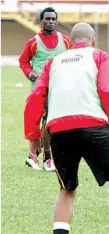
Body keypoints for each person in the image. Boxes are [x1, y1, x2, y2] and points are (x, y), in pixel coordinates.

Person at [24, 23, 109, 234]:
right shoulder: (100, 56)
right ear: (92, 41)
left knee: (66, 190)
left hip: (59, 131)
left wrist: (33, 136)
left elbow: (35, 98)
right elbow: (108, 92)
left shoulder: (53, 63)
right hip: (93, 127)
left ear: (70, 42)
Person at [19, 7, 71, 171]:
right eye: (47, 19)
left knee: (49, 123)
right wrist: (30, 73)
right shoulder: (34, 42)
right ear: (41, 21)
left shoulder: (66, 41)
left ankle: (45, 158)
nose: (50, 22)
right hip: (39, 89)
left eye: (53, 19)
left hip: (58, 88)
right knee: (35, 123)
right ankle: (37, 156)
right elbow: (23, 61)